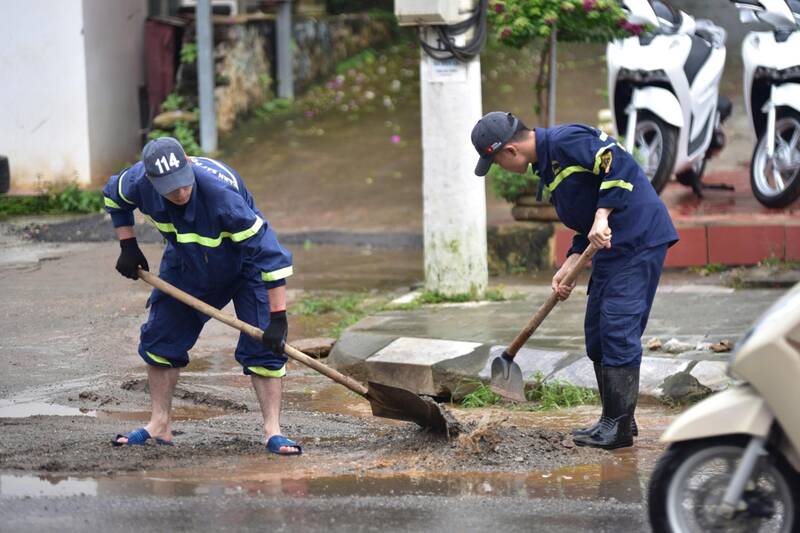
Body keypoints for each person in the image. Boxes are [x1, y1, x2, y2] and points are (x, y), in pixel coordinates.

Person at [471, 112, 679, 450]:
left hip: (638, 239)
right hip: (611, 247)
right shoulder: (546, 166)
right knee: (597, 334)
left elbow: (618, 163)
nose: (499, 169)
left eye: (494, 162)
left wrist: (602, 215)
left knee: (617, 326)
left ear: (509, 151)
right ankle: (617, 417)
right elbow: (586, 213)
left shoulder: (566, 140)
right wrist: (571, 259)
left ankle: (618, 428)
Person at [103, 136, 301, 455]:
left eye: (184, 184)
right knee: (161, 336)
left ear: (189, 166)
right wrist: (128, 245)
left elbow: (271, 256)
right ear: (151, 181)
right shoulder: (136, 180)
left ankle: (273, 431)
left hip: (245, 265)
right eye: (170, 188)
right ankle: (159, 424)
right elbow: (114, 198)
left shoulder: (222, 197)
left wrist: (278, 319)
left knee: (264, 347)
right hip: (186, 260)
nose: (180, 193)